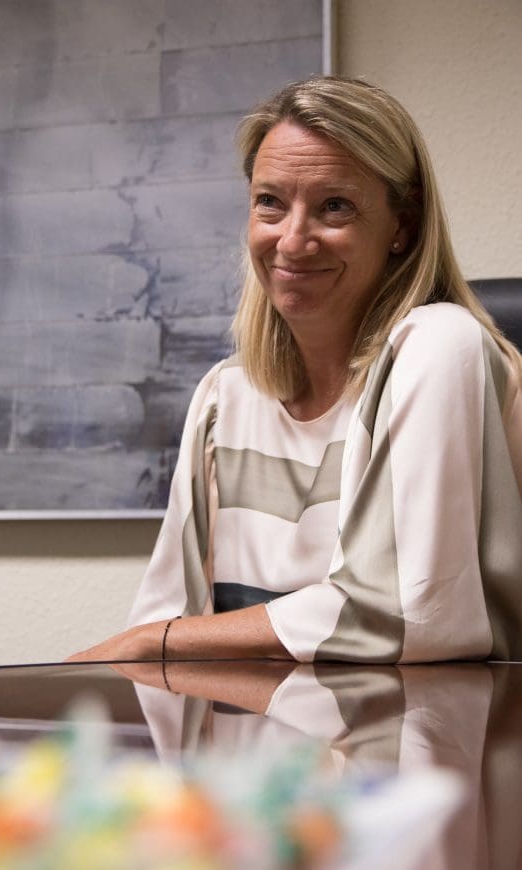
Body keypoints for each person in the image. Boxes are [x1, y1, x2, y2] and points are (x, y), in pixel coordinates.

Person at [70, 76, 522, 666]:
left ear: (403, 226)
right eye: (270, 202)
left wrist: (156, 641)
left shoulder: (440, 345)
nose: (292, 239)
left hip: (434, 726)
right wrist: (150, 646)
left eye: (335, 206)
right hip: (254, 728)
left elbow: (410, 614)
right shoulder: (224, 398)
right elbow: (165, 620)